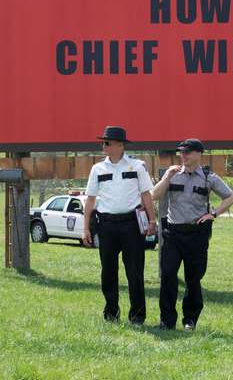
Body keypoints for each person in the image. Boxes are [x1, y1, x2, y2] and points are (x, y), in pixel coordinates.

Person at [152, 138, 233, 331]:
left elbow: (231, 197)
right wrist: (166, 177)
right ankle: (167, 321)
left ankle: (190, 320)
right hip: (173, 233)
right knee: (168, 275)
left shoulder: (209, 177)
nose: (183, 156)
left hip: (196, 235)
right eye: (181, 152)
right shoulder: (172, 174)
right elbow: (153, 196)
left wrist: (213, 214)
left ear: (199, 154)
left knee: (193, 278)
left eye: (187, 152)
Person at [83, 126, 156, 324]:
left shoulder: (137, 166)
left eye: (107, 142)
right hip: (106, 225)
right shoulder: (97, 169)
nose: (103, 146)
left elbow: (146, 195)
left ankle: (137, 316)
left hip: (131, 224)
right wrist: (85, 228)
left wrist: (152, 220)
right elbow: (90, 200)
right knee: (108, 271)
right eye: (103, 142)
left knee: (135, 272)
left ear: (120, 145)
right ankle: (111, 313)